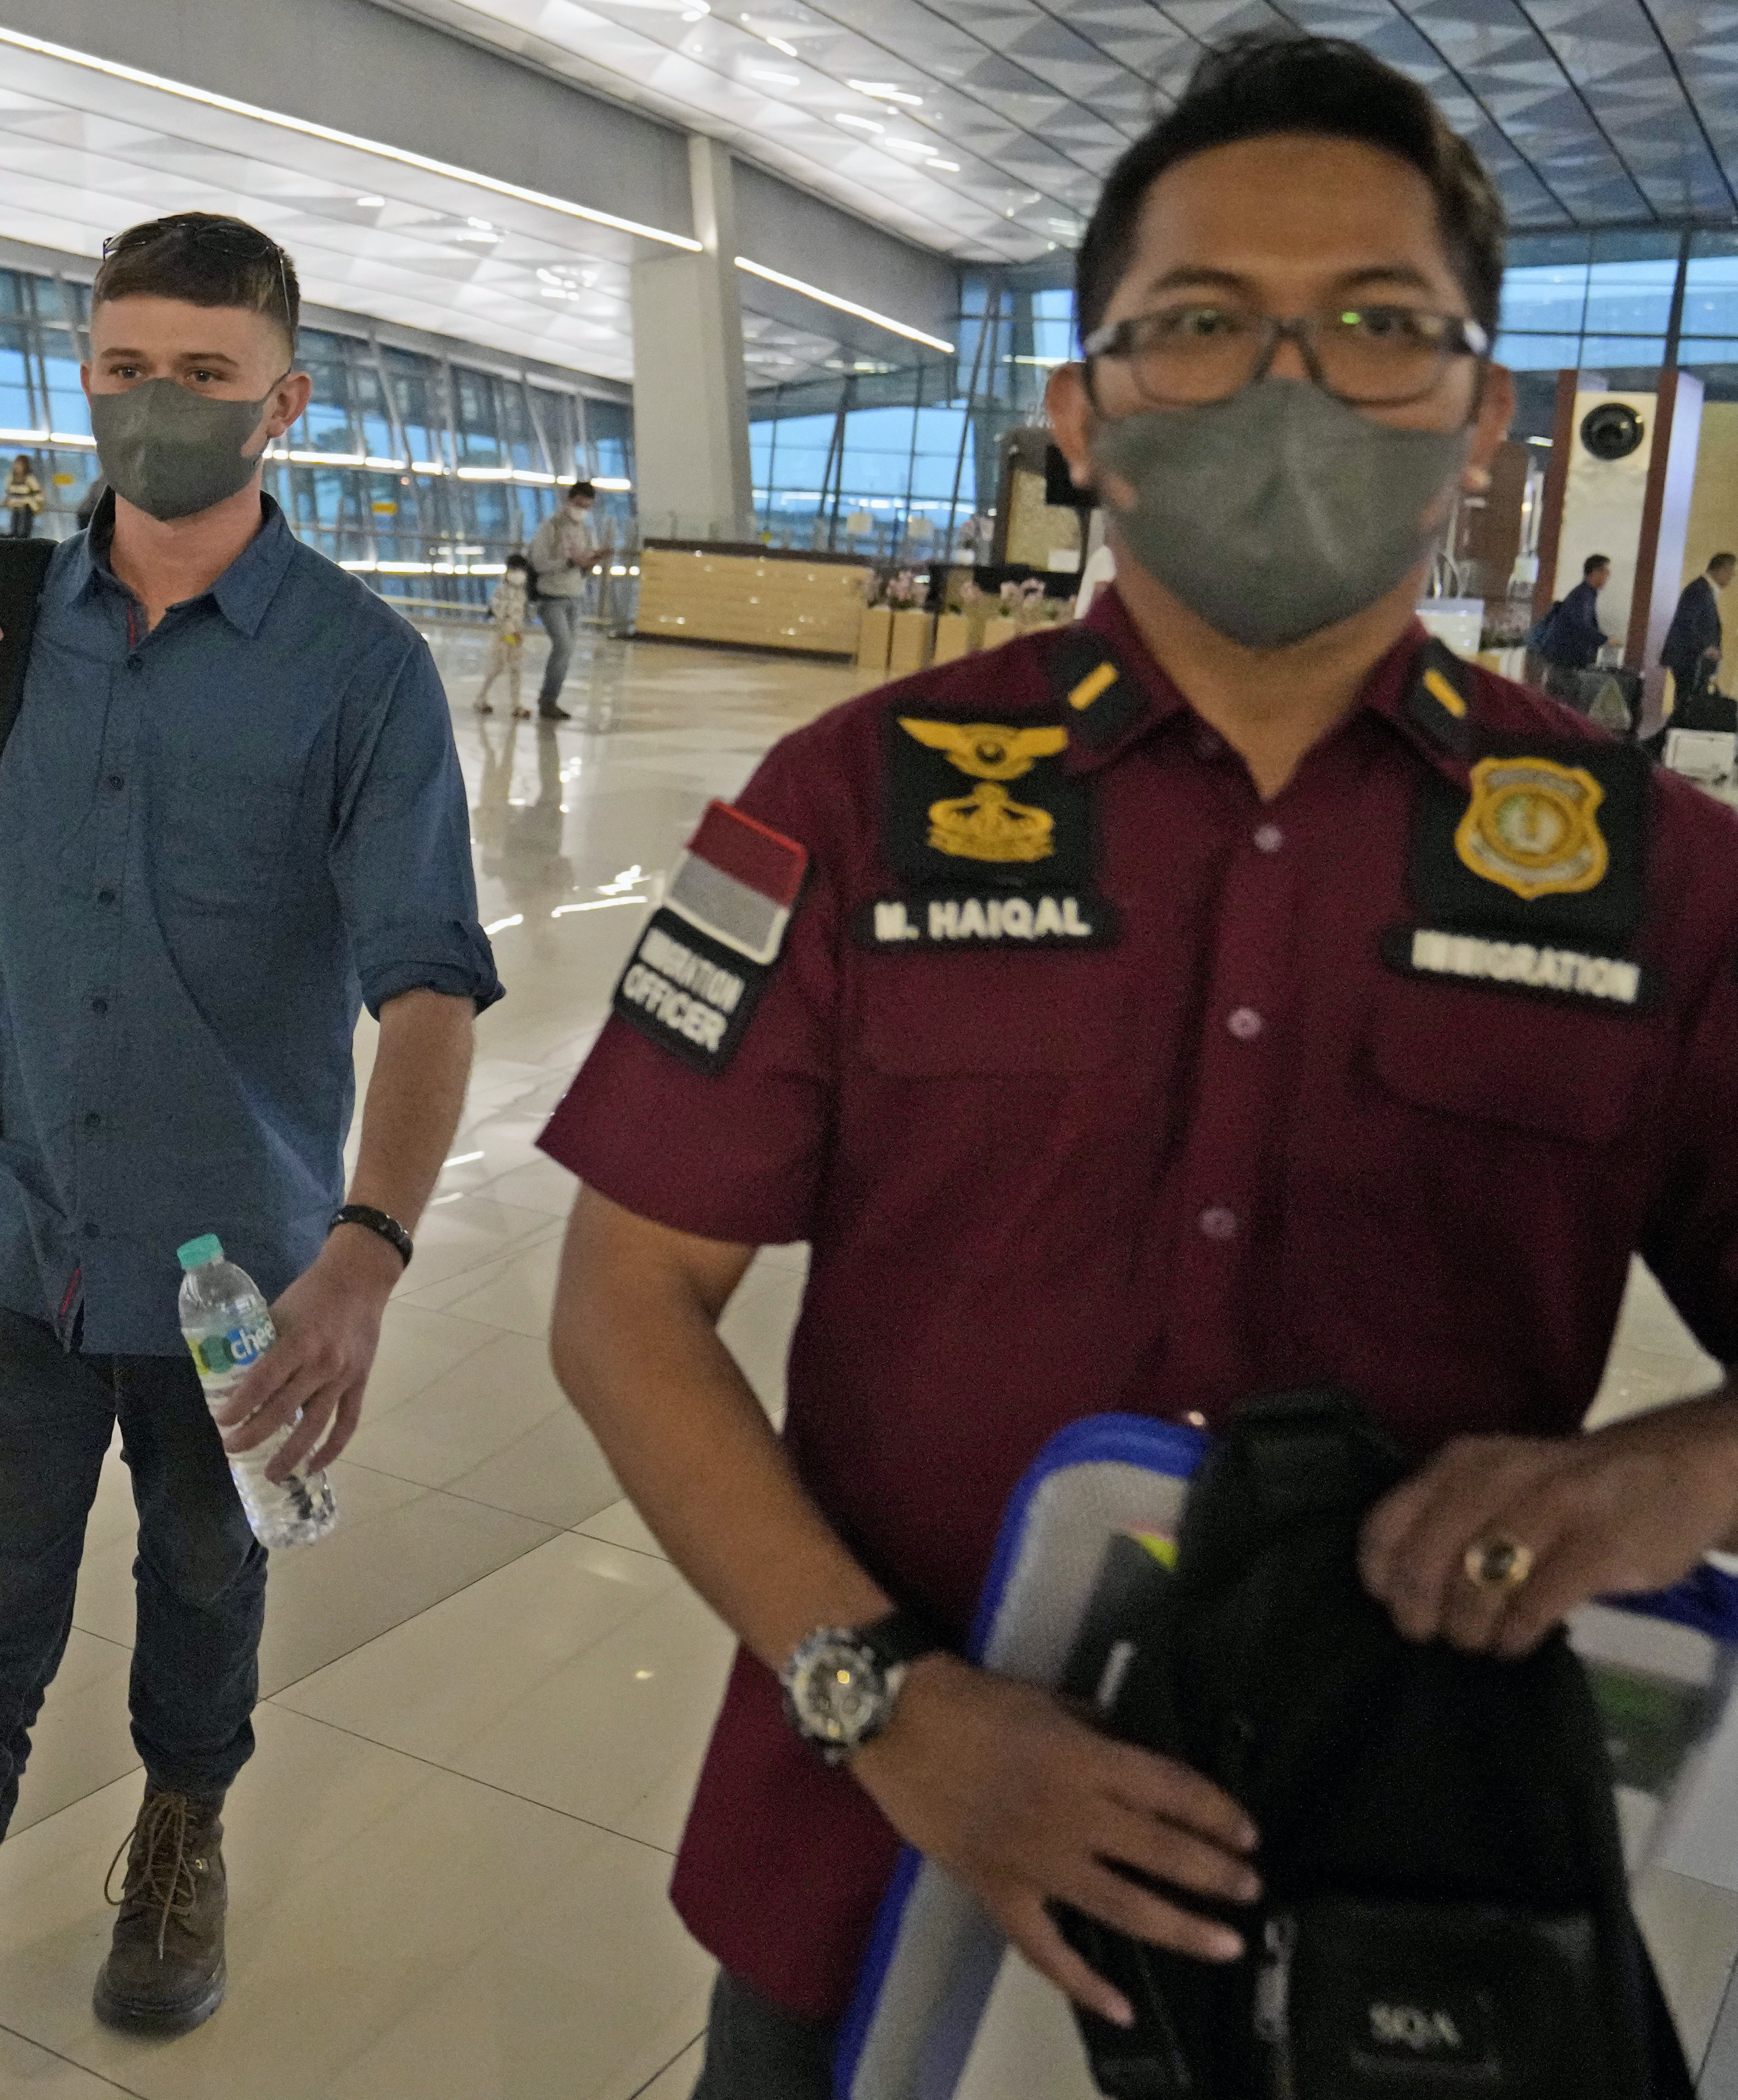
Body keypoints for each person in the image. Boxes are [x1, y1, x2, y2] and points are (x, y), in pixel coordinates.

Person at [540, 37, 1738, 2097]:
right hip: (871, 1860)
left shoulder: (1650, 880)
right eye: (1197, 325)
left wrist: (1667, 1472)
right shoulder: (855, 801)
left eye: (1375, 325)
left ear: (1467, 416)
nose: (1286, 385)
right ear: (1080, 416)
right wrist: (886, 1703)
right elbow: (624, 1301)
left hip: (1401, 1902)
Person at [0, 211, 498, 2082]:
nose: (161, 406)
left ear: (283, 402)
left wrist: (368, 1250)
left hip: (241, 1262)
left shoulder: (358, 672)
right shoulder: (12, 610)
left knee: (206, 1575)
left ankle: (184, 1816)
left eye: (206, 375)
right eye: (129, 366)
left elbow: (432, 982)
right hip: (5, 1218)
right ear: (86, 374)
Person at [524, 479, 603, 721]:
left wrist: (591, 562)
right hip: (551, 597)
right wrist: (569, 562)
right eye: (579, 504)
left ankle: (551, 699)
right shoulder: (551, 527)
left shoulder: (586, 531)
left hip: (574, 596)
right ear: (570, 501)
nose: (582, 510)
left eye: (587, 506)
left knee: (566, 651)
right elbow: (538, 563)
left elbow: (585, 562)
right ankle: (547, 700)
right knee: (563, 647)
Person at [1659, 549, 1733, 740]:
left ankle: (1674, 739)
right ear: (1722, 570)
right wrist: (1705, 647)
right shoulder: (1699, 590)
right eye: (1731, 574)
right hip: (1689, 660)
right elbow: (1688, 624)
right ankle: (1672, 740)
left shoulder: (1703, 590)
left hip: (1693, 660)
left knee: (1689, 703)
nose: (1731, 579)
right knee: (1687, 704)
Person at [1540, 549, 1613, 711]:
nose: (1608, 579)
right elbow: (1581, 626)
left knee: (1557, 703)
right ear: (1595, 573)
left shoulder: (1585, 595)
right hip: (1564, 659)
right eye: (1606, 574)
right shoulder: (1583, 597)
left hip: (1561, 657)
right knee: (1569, 704)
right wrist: (1604, 639)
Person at [475, 551, 534, 716]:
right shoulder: (500, 591)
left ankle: (516, 705)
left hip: (515, 637)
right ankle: (481, 698)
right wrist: (513, 632)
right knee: (497, 668)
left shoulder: (521, 592)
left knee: (516, 669)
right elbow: (501, 615)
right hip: (503, 636)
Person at [3, 453, 44, 538]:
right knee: (15, 521)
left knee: (25, 525)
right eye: (16, 464)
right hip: (15, 505)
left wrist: (38, 504)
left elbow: (37, 493)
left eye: (19, 464)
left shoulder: (29, 479)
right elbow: (9, 492)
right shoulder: (11, 479)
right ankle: (14, 534)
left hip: (27, 506)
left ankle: (23, 537)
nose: (17, 466)